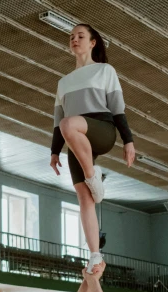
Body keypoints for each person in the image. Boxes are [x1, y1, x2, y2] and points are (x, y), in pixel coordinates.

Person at [50, 24, 135, 273]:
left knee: (69, 123)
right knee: (84, 199)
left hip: (102, 130)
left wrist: (128, 141)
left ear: (93, 42)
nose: (74, 39)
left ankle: (92, 175)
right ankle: (95, 255)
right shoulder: (63, 82)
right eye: (71, 37)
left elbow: (118, 109)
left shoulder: (105, 71)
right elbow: (57, 124)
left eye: (80, 36)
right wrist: (54, 152)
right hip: (75, 138)